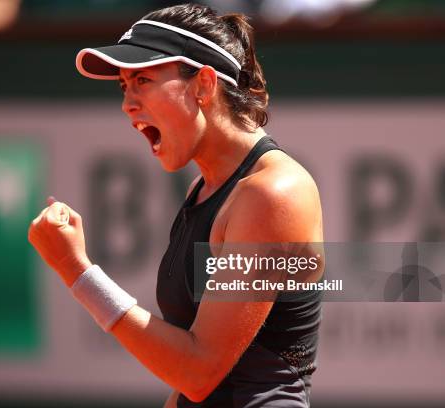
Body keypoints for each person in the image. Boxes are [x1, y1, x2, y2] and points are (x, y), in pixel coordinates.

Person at [28, 3, 324, 407]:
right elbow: (189, 387)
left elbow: (199, 371)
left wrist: (77, 271)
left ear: (203, 84)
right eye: (123, 86)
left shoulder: (272, 193)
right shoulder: (204, 190)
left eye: (143, 80)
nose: (127, 104)